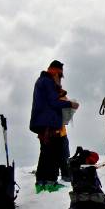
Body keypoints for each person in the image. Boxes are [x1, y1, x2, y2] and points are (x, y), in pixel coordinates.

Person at [29, 60, 79, 193]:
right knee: (52, 153)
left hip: (42, 122)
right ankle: (51, 182)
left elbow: (50, 100)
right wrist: (70, 104)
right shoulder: (48, 81)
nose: (61, 78)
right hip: (48, 123)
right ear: (55, 72)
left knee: (45, 152)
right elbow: (53, 102)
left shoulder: (42, 81)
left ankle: (41, 182)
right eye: (60, 75)